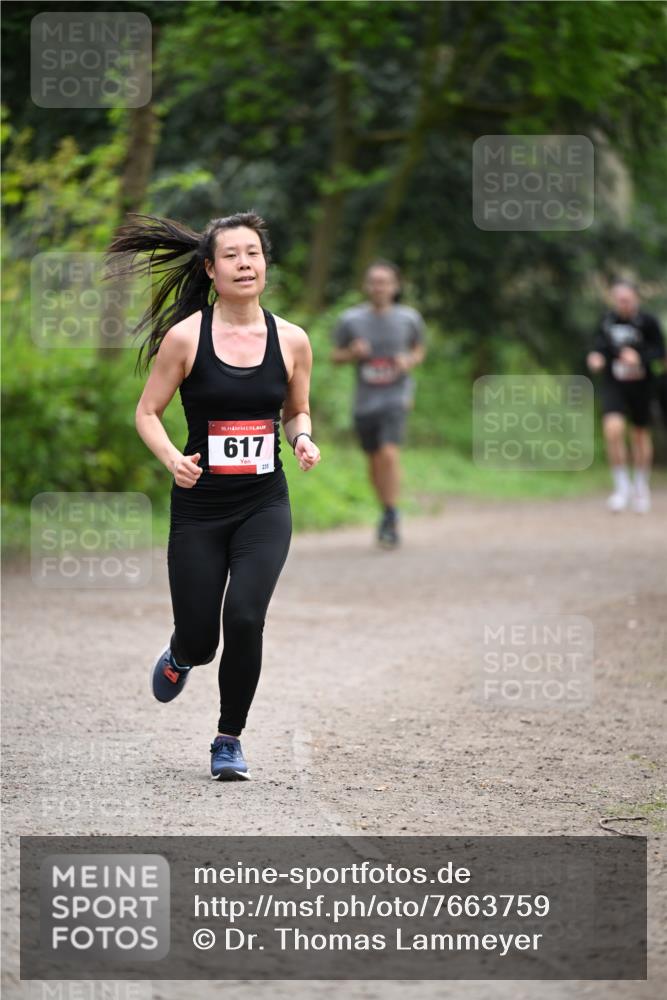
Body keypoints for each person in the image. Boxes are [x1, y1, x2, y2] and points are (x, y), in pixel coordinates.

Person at [109, 210, 321, 780]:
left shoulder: (292, 339)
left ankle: (229, 739)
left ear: (265, 265)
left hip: (264, 504)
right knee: (203, 639)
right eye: (231, 255)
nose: (244, 264)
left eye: (253, 253)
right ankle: (181, 654)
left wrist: (302, 439)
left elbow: (296, 410)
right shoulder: (186, 338)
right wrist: (172, 459)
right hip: (200, 507)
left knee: (246, 617)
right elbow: (147, 412)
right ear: (209, 269)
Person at [331, 260, 426, 547]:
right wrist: (352, 352)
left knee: (389, 453)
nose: (378, 287)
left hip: (396, 397)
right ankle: (386, 509)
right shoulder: (351, 319)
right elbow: (335, 356)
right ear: (366, 285)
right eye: (373, 282)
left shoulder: (409, 318)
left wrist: (409, 360)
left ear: (395, 286)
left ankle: (392, 513)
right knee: (373, 462)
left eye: (384, 282)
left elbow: (419, 349)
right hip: (365, 401)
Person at [587, 280, 665, 514]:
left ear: (636, 298)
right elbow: (599, 347)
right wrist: (596, 358)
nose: (623, 304)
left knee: (640, 434)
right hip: (615, 383)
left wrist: (639, 358)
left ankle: (640, 485)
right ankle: (622, 486)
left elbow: (660, 352)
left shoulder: (648, 322)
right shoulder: (607, 320)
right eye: (619, 300)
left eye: (627, 300)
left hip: (641, 385)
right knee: (613, 430)